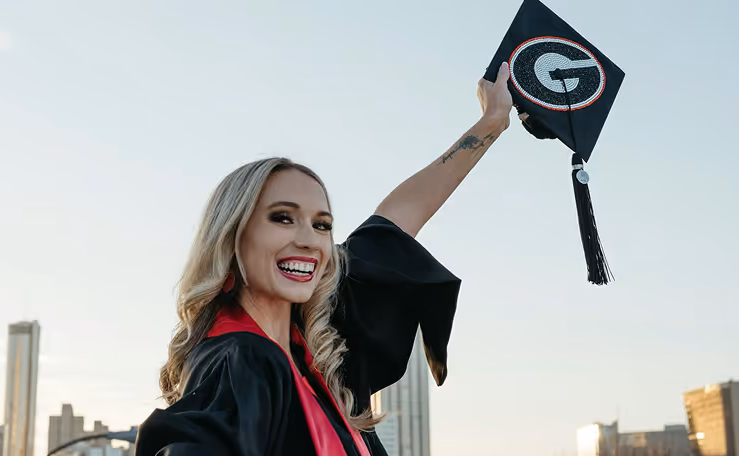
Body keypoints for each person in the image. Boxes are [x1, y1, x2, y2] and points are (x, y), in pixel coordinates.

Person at [134, 62, 514, 456]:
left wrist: (491, 122)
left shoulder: (319, 350)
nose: (308, 240)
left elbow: (395, 222)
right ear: (233, 236)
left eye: (321, 224)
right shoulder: (241, 360)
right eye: (282, 218)